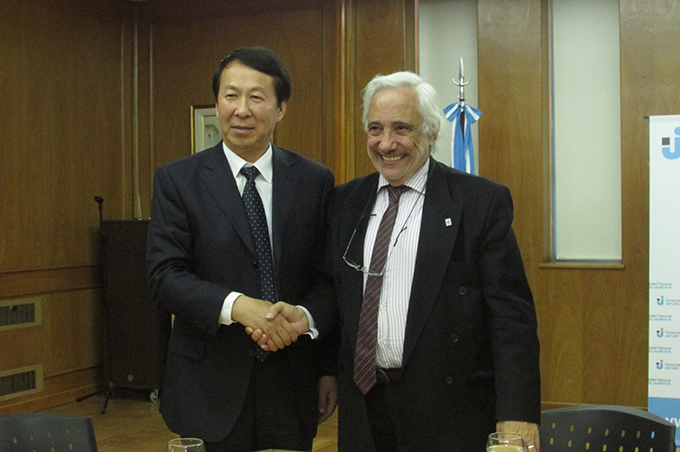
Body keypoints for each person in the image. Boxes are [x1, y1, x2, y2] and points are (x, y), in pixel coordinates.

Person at [254, 71, 541, 451]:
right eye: (375, 129)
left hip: (449, 412)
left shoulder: (479, 203)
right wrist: (306, 319)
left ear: (431, 134)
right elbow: (333, 289)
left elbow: (512, 320)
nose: (386, 143)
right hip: (364, 408)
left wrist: (518, 412)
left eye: (401, 128)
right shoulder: (345, 202)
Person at [146, 47, 337, 452]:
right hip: (208, 386)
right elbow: (165, 275)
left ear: (281, 108)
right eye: (231, 96)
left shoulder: (314, 181)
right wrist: (238, 305)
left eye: (256, 97)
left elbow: (327, 278)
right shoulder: (178, 180)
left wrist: (309, 329)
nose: (242, 110)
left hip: (291, 383)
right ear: (217, 103)